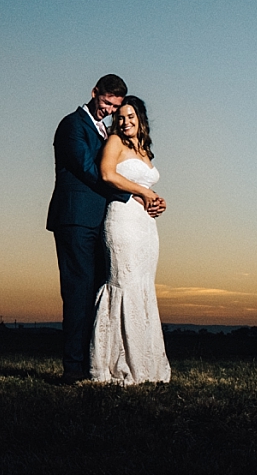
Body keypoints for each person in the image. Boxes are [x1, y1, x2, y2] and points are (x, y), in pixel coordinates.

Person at [46, 74, 135, 383]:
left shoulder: (104, 131)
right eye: (106, 103)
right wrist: (131, 195)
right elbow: (87, 169)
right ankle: (73, 369)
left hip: (99, 222)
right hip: (75, 219)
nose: (109, 110)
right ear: (94, 93)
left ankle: (92, 364)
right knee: (77, 293)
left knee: (96, 293)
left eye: (115, 107)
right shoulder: (72, 125)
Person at [88, 95, 171, 384]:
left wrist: (156, 201)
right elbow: (107, 175)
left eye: (130, 116)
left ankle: (146, 365)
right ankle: (114, 363)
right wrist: (146, 194)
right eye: (120, 117)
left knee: (143, 287)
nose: (124, 122)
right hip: (122, 221)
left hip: (146, 226)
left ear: (141, 118)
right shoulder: (115, 143)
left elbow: (144, 187)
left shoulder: (145, 150)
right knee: (124, 284)